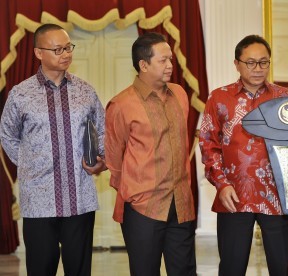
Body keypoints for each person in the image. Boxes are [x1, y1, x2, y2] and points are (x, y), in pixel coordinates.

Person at [199, 34, 288, 276]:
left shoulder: (285, 98)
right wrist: (220, 184)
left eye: (264, 62)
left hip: (278, 195)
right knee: (232, 267)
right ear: (237, 64)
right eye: (250, 62)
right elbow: (208, 145)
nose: (258, 69)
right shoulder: (219, 97)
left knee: (283, 267)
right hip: (233, 195)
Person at [0, 23, 106, 275]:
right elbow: (7, 136)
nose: (66, 54)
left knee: (79, 269)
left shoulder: (85, 91)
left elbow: (101, 130)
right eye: (58, 50)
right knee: (40, 268)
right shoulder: (20, 94)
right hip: (38, 200)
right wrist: (30, 164)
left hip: (80, 198)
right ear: (38, 53)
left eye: (68, 47)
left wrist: (100, 160)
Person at [104, 32, 196, 276]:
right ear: (143, 65)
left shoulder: (180, 94)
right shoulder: (121, 104)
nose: (170, 66)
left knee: (185, 271)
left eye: (171, 60)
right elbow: (114, 159)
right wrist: (134, 192)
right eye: (163, 61)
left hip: (182, 203)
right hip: (143, 207)